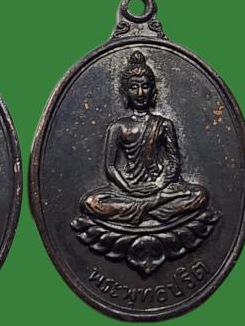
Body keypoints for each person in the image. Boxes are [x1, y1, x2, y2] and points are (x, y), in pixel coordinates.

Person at [81, 50, 208, 226]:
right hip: (127, 189)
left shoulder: (164, 124)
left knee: (199, 195)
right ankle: (153, 211)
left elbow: (174, 163)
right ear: (125, 92)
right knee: (91, 202)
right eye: (134, 87)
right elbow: (110, 167)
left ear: (153, 91)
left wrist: (158, 185)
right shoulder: (118, 127)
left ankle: (140, 211)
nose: (140, 93)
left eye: (145, 86)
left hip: (160, 187)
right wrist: (128, 188)